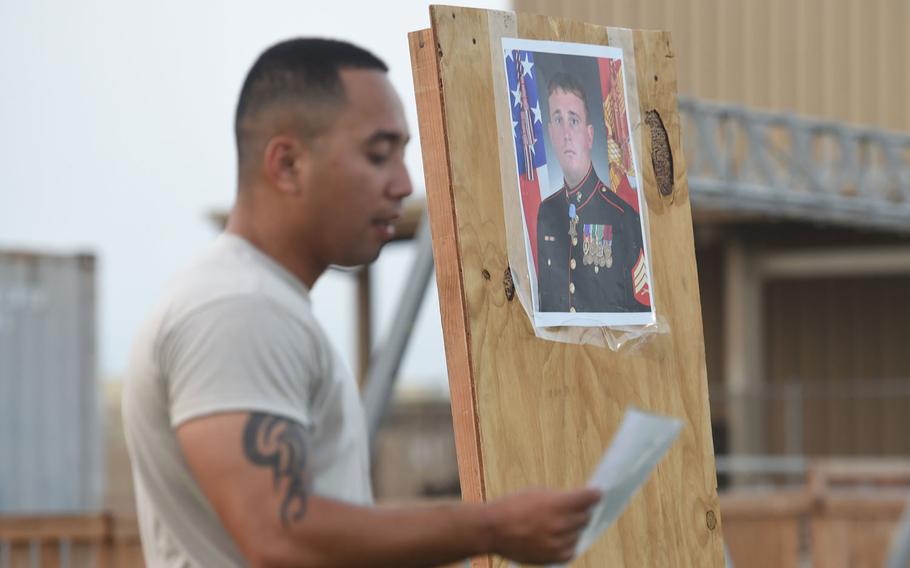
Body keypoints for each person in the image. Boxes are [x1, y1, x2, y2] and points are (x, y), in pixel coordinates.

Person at [122, 38, 600, 568]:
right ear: (286, 164)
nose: (403, 183)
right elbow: (280, 536)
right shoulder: (236, 308)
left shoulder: (256, 301)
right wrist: (493, 526)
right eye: (378, 154)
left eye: (402, 155)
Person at [536, 71, 649, 314]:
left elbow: (640, 320)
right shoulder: (546, 213)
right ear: (550, 132)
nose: (566, 133)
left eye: (573, 120)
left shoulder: (622, 217)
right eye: (558, 120)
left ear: (589, 136)